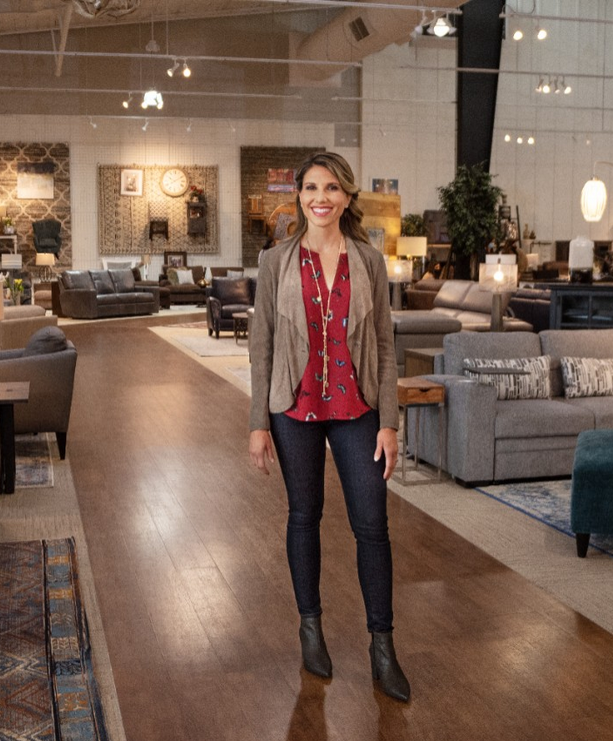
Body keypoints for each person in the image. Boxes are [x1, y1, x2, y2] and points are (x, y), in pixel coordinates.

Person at [248, 152, 409, 702]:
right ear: (299, 196)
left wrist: (389, 423)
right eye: (312, 188)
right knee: (304, 515)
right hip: (293, 408)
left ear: (346, 197)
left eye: (332, 188)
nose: (321, 197)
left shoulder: (369, 261)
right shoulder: (276, 262)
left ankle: (383, 647)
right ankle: (310, 629)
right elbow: (262, 348)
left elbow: (385, 347)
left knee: (373, 525)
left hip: (357, 408)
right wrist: (258, 423)